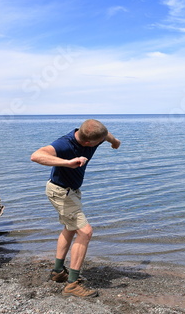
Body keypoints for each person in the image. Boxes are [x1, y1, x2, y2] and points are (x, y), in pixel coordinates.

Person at [30, 119, 120, 297]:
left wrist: (115, 142)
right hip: (60, 192)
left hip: (71, 192)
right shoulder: (65, 144)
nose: (100, 143)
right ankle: (72, 284)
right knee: (85, 232)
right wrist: (67, 162)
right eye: (97, 143)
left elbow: (106, 135)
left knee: (70, 228)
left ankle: (58, 272)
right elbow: (36, 155)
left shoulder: (96, 136)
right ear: (87, 142)